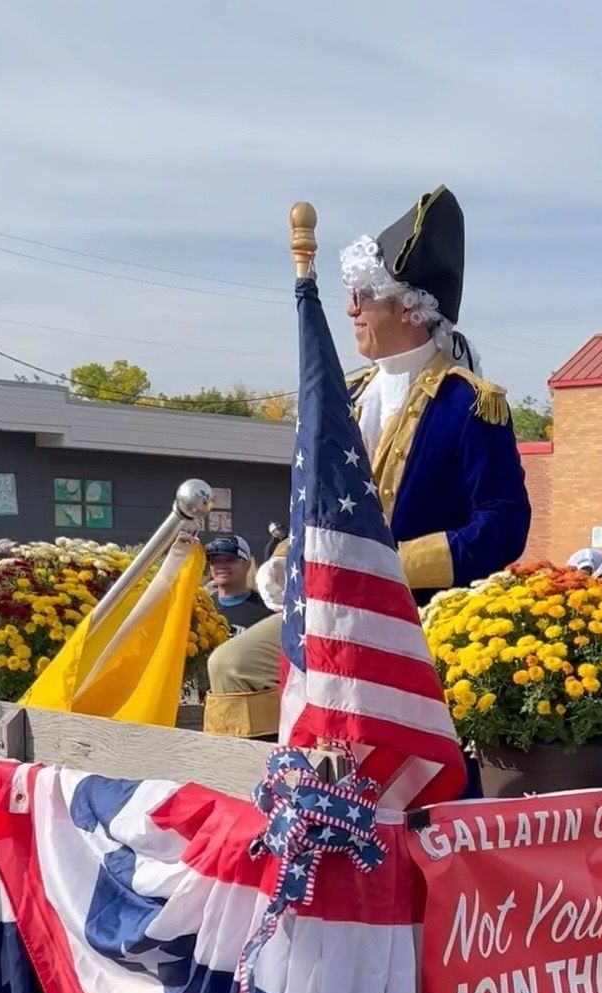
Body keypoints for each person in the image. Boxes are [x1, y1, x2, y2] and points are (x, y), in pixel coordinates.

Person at [204, 184, 531, 737]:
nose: (351, 308)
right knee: (231, 666)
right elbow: (319, 501)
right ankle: (280, 784)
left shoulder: (469, 404)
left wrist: (391, 566)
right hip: (334, 607)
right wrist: (287, 557)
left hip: (419, 616)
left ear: (410, 307)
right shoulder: (346, 397)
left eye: (365, 295)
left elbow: (503, 525)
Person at [203, 536, 271, 635]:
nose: (222, 566)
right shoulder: (203, 608)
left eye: (230, 559)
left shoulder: (266, 610)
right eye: (215, 560)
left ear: (247, 565)